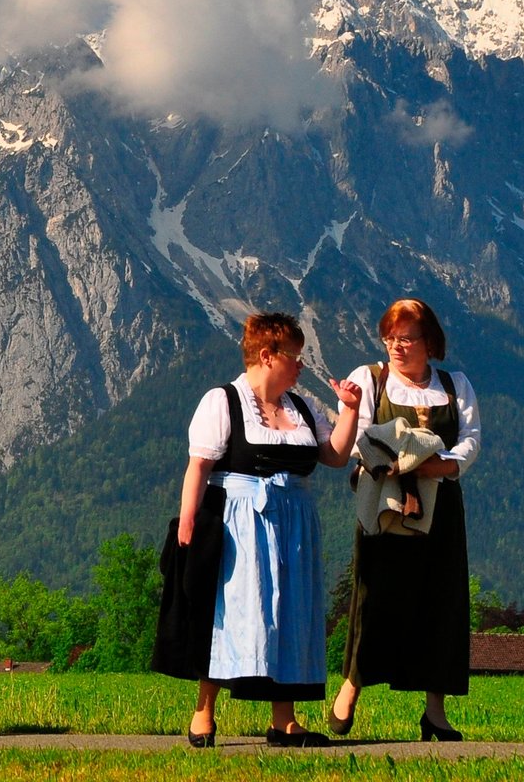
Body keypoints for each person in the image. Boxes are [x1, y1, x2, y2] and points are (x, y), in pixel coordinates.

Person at [157, 312, 362, 748]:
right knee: (232, 614)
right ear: (267, 356)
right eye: (295, 356)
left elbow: (336, 456)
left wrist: (351, 410)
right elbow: (199, 465)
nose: (301, 365)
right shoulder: (224, 401)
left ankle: (284, 720)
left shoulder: (300, 406)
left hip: (295, 521)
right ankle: (204, 712)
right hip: (240, 520)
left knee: (290, 613)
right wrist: (188, 520)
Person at [329, 299, 481, 742]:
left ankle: (435, 710)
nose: (396, 346)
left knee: (441, 600)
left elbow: (470, 441)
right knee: (375, 595)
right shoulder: (370, 380)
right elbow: (356, 438)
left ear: (429, 343)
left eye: (406, 338)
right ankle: (351, 688)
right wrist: (395, 464)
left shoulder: (456, 385)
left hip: (441, 507)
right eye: (390, 337)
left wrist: (439, 466)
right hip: (386, 503)